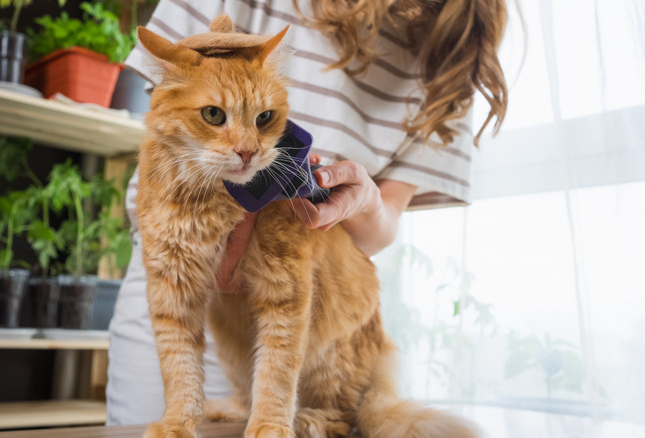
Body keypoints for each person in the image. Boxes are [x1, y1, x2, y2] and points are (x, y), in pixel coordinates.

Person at [106, 0, 508, 425]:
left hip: (314, 276)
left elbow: (383, 222)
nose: (245, 144)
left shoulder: (458, 49)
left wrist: (362, 201)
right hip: (177, 270)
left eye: (263, 119)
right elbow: (168, 109)